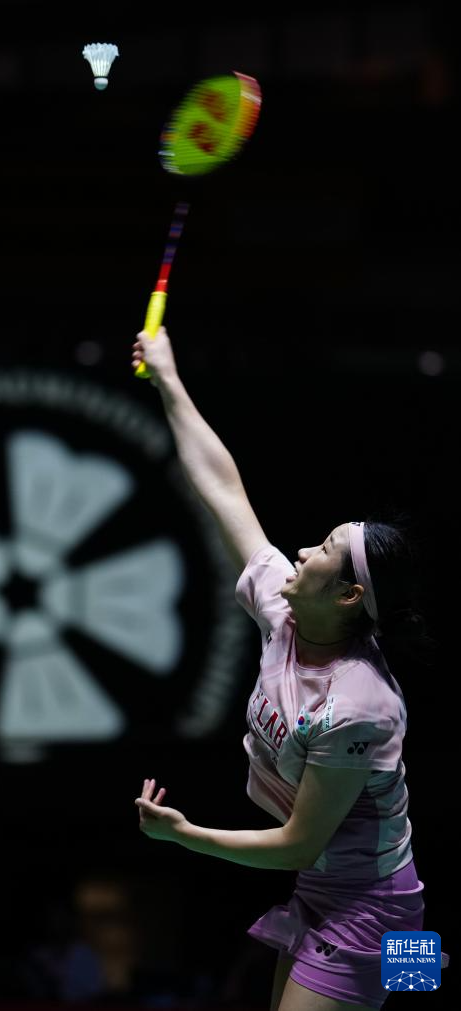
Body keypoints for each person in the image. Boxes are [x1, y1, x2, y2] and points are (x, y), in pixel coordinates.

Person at [131, 327, 442, 1011]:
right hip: (328, 888)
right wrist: (169, 379)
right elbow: (223, 488)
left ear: (349, 595)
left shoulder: (357, 705)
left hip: (376, 909)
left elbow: (296, 845)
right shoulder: (286, 610)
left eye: (323, 549)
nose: (300, 551)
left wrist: (184, 835)